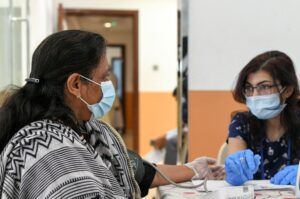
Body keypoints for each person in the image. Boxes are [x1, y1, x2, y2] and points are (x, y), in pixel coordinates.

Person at [0, 30, 224, 199]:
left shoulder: (85, 129)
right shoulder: (47, 149)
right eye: (103, 77)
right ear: (76, 84)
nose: (109, 86)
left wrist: (194, 169)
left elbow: (133, 170)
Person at [225, 50, 300, 186]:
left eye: (264, 87)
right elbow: (236, 172)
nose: (254, 95)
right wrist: (235, 173)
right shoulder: (242, 123)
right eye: (249, 88)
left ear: (287, 90)